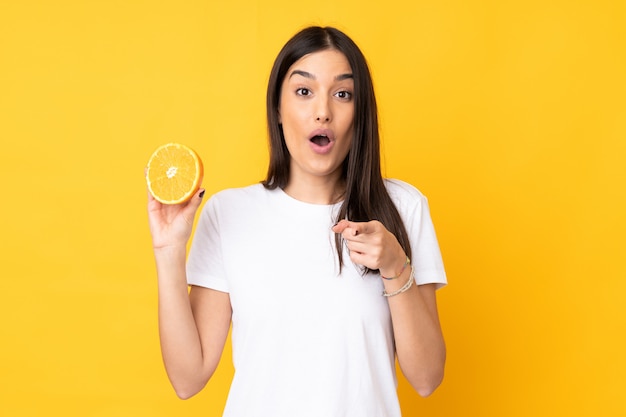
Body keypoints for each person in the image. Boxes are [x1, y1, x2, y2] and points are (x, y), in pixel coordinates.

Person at [147, 26, 447, 417]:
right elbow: (188, 379)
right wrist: (169, 252)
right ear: (277, 107)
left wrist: (394, 266)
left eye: (343, 94)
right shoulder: (228, 214)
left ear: (361, 112)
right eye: (304, 91)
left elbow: (426, 378)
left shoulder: (403, 207)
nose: (323, 110)